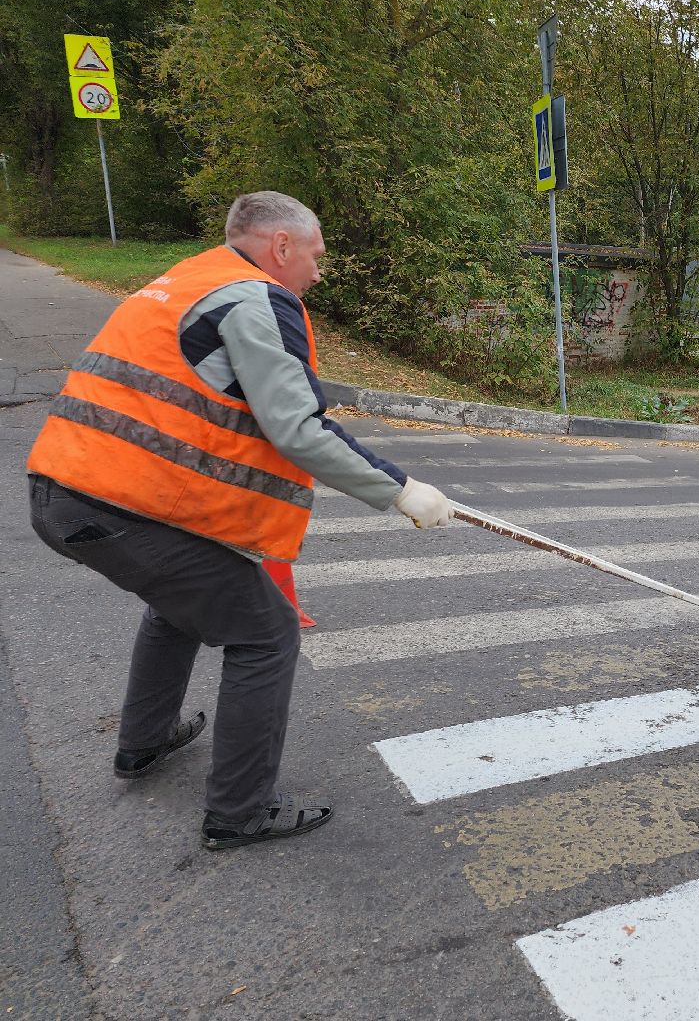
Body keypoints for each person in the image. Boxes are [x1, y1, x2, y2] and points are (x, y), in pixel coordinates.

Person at [27, 191, 454, 850]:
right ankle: (239, 811)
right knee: (267, 632)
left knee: (180, 607)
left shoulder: (188, 279)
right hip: (118, 501)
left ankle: (143, 743)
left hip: (71, 488)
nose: (318, 270)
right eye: (314, 255)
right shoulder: (257, 298)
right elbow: (298, 429)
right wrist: (401, 491)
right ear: (281, 246)